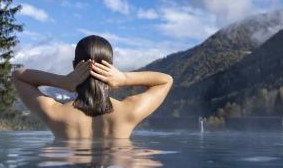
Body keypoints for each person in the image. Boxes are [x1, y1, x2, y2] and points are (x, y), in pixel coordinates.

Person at [11, 34, 173, 139]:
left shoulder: (56, 113)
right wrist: (123, 78)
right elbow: (166, 80)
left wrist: (63, 82)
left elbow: (18, 76)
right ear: (111, 68)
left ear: (75, 66)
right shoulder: (129, 111)